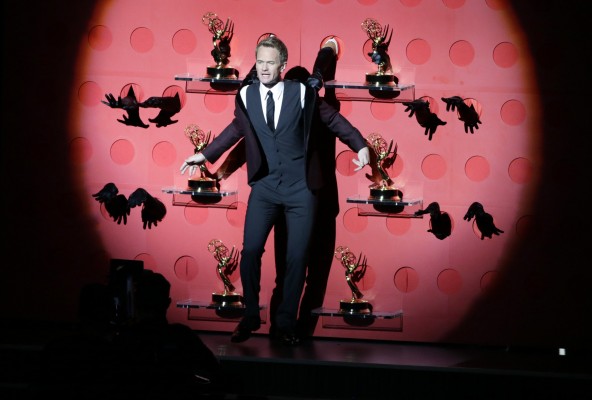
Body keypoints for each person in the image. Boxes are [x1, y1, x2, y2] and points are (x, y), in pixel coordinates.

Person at [180, 35, 370, 347]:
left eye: (271, 63)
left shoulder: (302, 94)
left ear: (281, 66)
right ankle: (251, 314)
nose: (265, 68)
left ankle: (284, 324)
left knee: (296, 259)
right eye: (261, 62)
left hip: (302, 191)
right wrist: (205, 154)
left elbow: (333, 119)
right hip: (266, 188)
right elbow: (236, 130)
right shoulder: (247, 95)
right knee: (251, 250)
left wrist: (360, 145)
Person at [270, 38, 342, 340]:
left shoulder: (316, 112)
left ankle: (282, 331)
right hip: (315, 207)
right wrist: (327, 56)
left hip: (297, 207)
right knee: (313, 278)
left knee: (290, 275)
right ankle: (297, 332)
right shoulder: (323, 110)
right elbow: (331, 84)